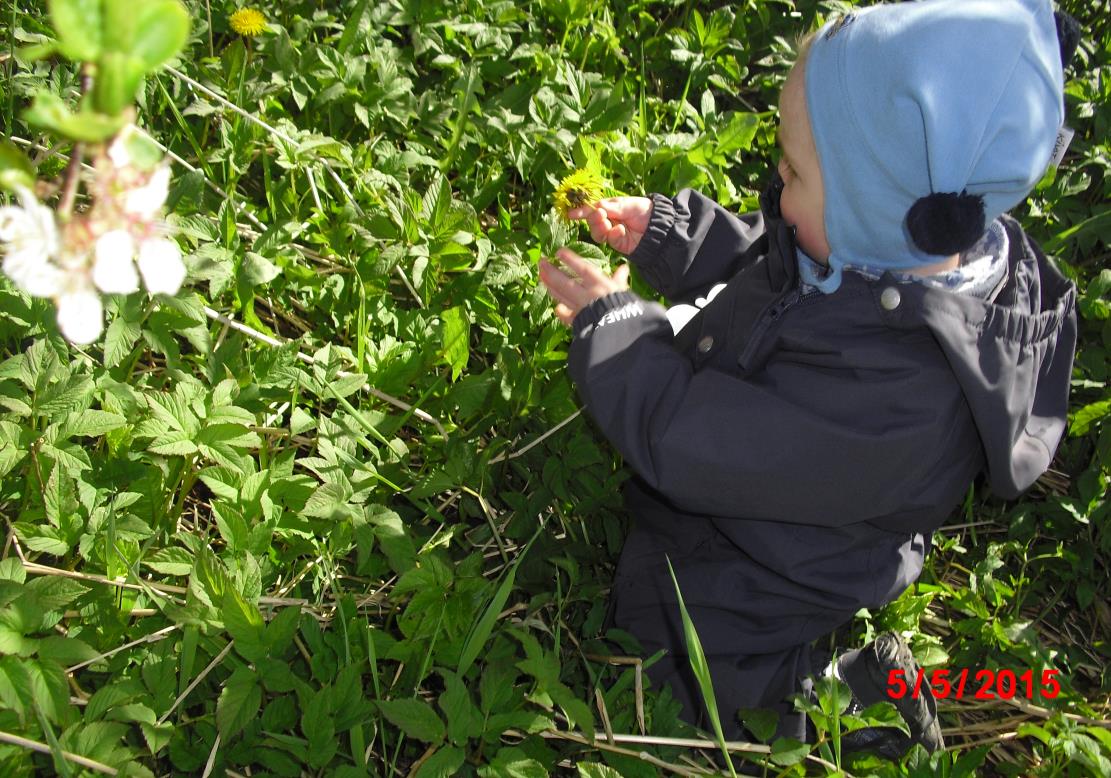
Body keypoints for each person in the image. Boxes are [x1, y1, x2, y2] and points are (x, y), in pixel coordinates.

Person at [538, 0, 1079, 757]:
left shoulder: (895, 403)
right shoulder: (887, 247)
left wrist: (619, 335)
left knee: (674, 655)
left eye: (791, 171)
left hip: (778, 559)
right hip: (755, 493)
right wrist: (671, 237)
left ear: (874, 208)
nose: (775, 183)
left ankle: (854, 696)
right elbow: (775, 259)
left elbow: (705, 448)